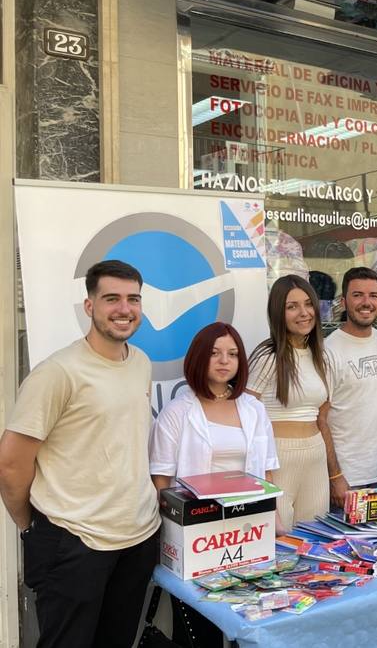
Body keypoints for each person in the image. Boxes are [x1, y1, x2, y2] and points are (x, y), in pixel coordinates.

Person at [0, 260, 159, 648]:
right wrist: (30, 528)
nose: (124, 309)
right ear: (89, 306)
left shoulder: (140, 362)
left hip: (137, 537)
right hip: (75, 542)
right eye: (112, 299)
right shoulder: (58, 372)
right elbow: (10, 462)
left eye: (133, 299)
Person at [150, 321, 278, 647]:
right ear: (198, 358)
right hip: (197, 536)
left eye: (232, 354)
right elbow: (161, 479)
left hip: (247, 532)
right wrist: (173, 535)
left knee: (246, 623)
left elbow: (267, 471)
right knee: (199, 629)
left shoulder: (254, 408)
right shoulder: (178, 412)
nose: (224, 360)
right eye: (215, 353)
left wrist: (273, 520)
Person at [247, 275, 330, 530]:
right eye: (292, 306)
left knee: (315, 538)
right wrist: (260, 471)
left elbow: (322, 416)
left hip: (316, 457)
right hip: (279, 459)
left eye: (308, 304)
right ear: (278, 313)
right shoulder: (268, 356)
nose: (303, 313)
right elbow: (246, 414)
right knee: (279, 543)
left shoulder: (320, 354)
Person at [324, 267, 377, 507]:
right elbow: (320, 419)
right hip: (347, 478)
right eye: (358, 295)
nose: (367, 302)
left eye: (373, 296)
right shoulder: (328, 350)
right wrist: (335, 476)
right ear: (343, 301)